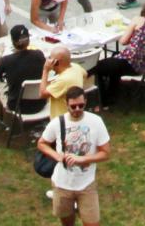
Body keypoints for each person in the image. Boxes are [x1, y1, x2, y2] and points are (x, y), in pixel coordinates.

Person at [38, 84, 109, 225]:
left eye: (81, 105)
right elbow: (42, 143)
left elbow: (105, 153)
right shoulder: (57, 123)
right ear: (66, 104)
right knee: (67, 222)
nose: (77, 109)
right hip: (62, 184)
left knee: (93, 223)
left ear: (85, 102)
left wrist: (83, 159)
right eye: (73, 106)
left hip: (86, 184)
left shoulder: (96, 122)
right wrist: (57, 156)